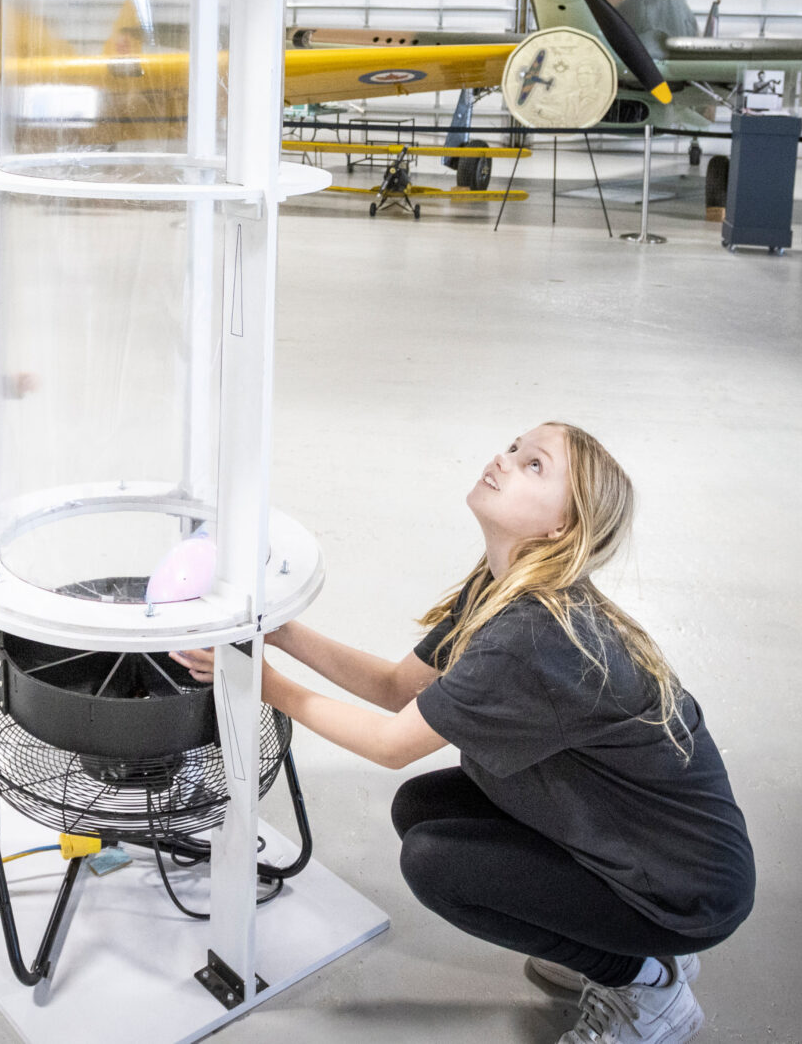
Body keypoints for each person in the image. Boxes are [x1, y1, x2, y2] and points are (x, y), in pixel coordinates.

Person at [174, 424, 753, 1044]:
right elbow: (400, 688)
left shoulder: (535, 635)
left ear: (562, 525)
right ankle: (599, 935)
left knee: (436, 865)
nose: (503, 461)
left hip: (682, 889)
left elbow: (390, 745)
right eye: (512, 447)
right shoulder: (504, 587)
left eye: (534, 466)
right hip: (632, 841)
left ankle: (645, 981)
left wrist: (265, 684)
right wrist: (278, 630)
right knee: (424, 808)